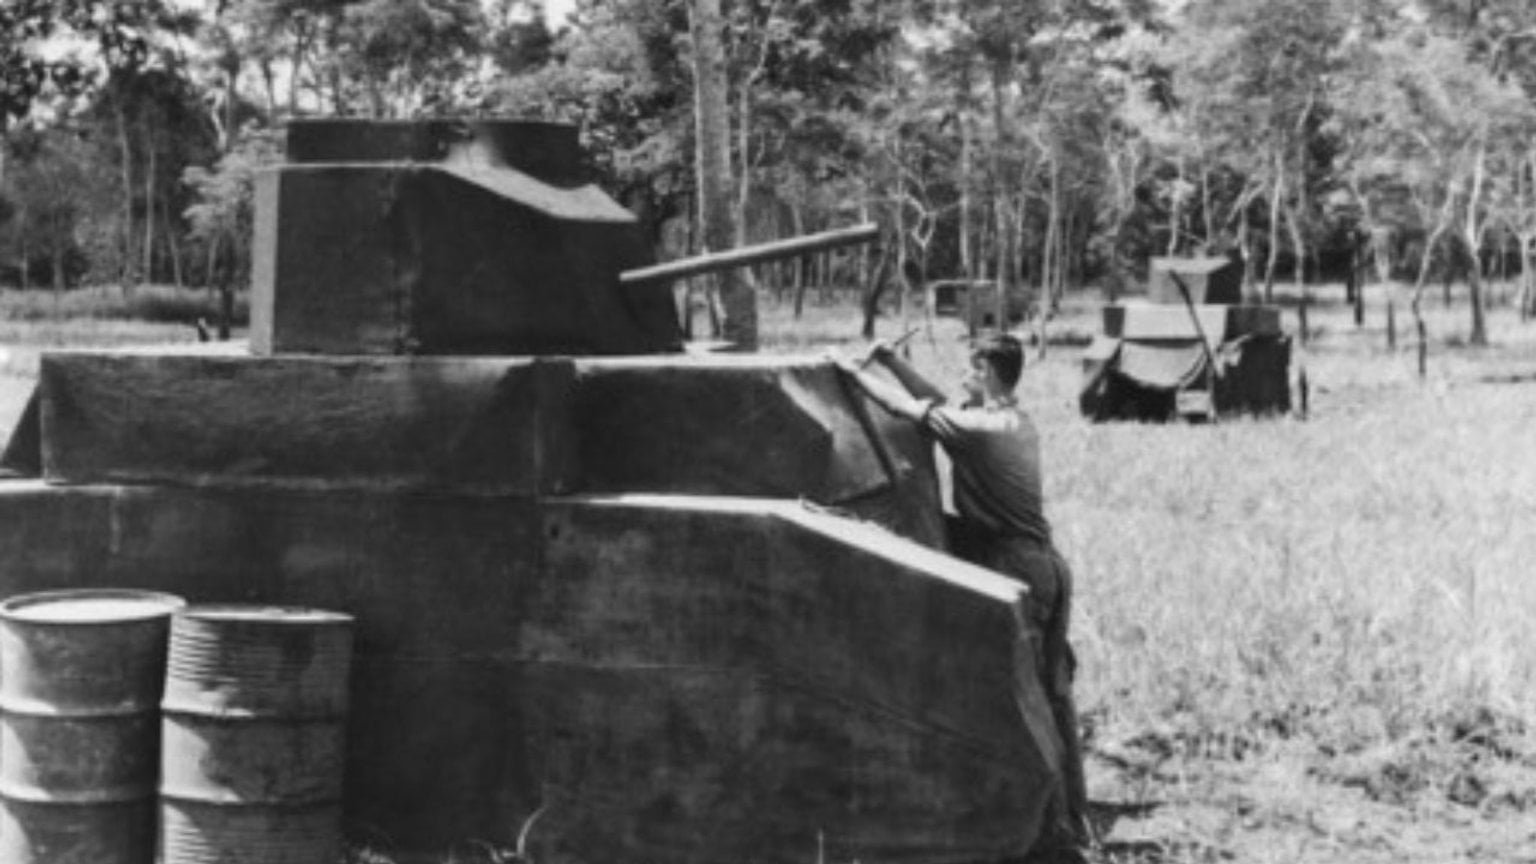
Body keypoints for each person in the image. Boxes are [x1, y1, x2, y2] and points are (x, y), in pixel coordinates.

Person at [832, 333, 1088, 863]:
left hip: (1017, 564)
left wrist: (848, 370)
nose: (964, 379)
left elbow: (906, 408)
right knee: (1055, 690)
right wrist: (891, 358)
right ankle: (1073, 815)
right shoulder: (1011, 420)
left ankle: (1054, 830)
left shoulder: (980, 429)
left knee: (1030, 695)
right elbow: (939, 403)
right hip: (1044, 563)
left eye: (972, 371)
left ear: (990, 374)